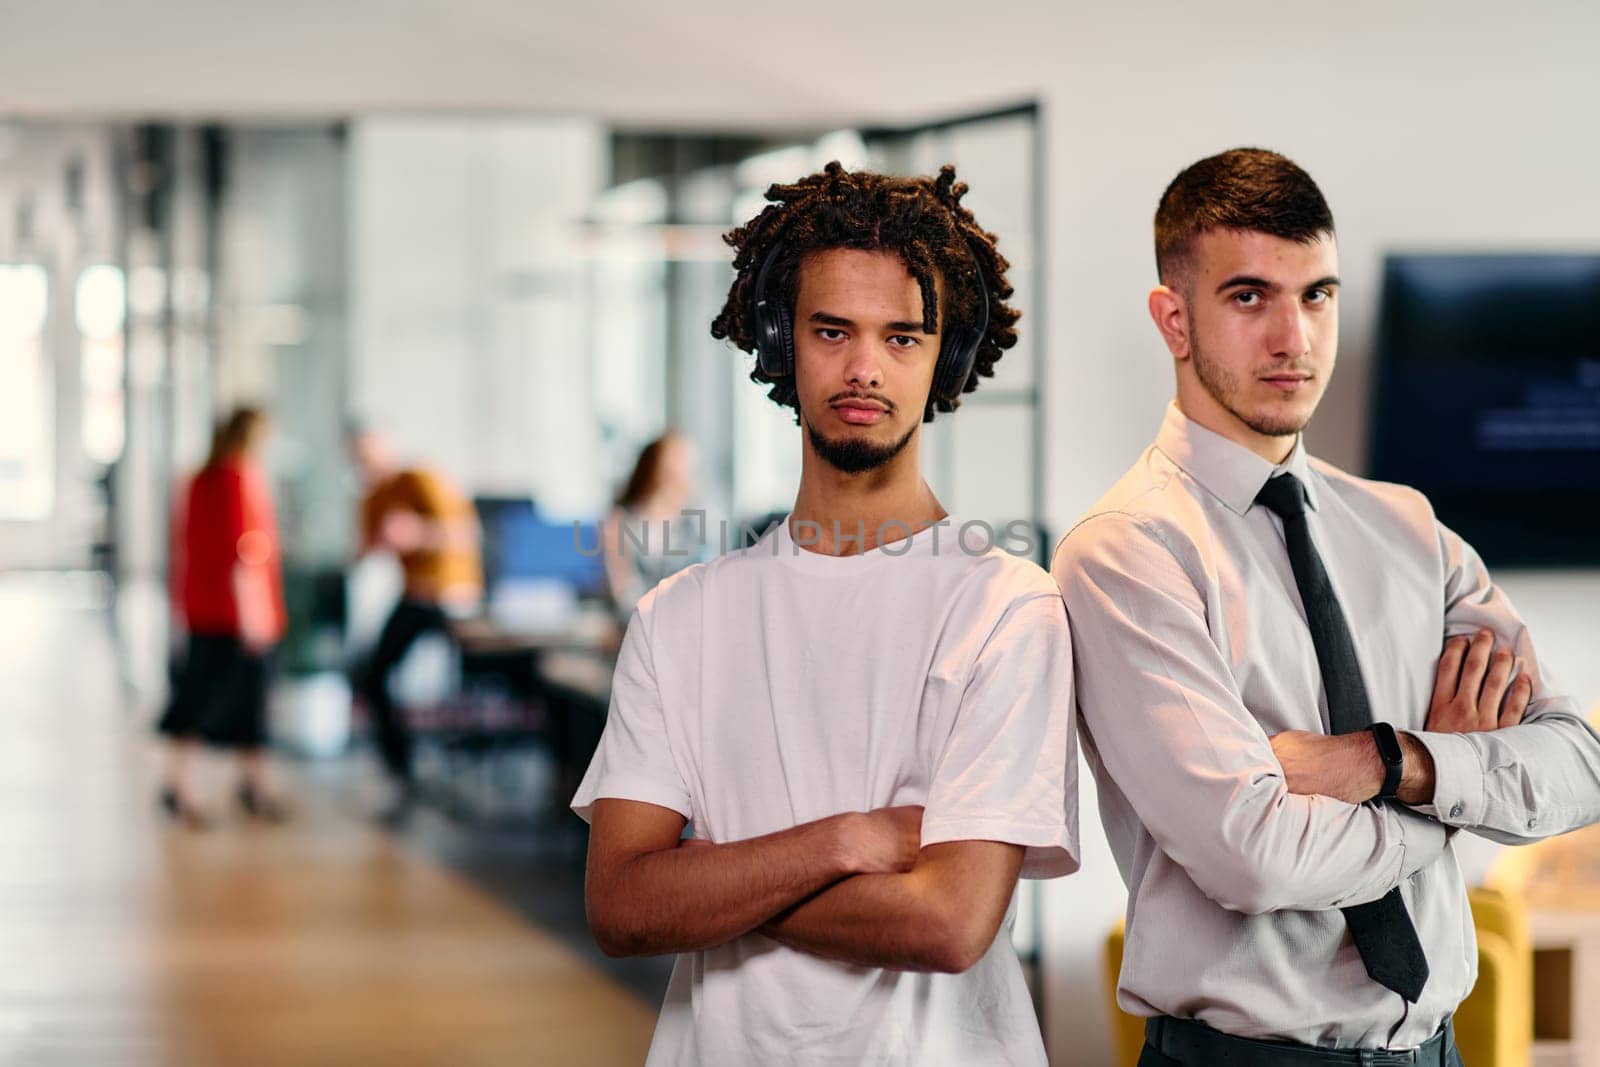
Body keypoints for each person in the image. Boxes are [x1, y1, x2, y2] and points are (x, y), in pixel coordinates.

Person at [1053, 147, 1600, 1065]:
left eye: (1317, 295)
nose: (1294, 339)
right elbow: (1254, 856)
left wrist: (1387, 759)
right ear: (1172, 319)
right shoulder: (1126, 554)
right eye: (1249, 297)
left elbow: (1579, 760)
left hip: (1438, 1049)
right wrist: (1451, 786)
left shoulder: (1409, 532)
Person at [572, 162, 1078, 1066]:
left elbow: (948, 923)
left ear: (947, 358)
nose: (863, 368)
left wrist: (719, 880)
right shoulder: (678, 618)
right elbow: (621, 907)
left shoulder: (1008, 607)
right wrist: (852, 839)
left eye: (903, 337)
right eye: (832, 329)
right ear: (780, 340)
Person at [158, 405, 289, 825]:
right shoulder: (239, 476)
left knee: (219, 697)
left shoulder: (199, 479)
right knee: (224, 698)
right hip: (235, 614)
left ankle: (248, 784)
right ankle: (187, 786)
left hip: (203, 607)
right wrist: (254, 616)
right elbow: (245, 551)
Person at [349, 428, 483, 815]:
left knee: (474, 675)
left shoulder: (421, 479)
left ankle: (465, 757)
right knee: (373, 676)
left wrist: (418, 533)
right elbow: (363, 550)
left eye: (370, 454)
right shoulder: (372, 497)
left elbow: (465, 534)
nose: (366, 464)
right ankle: (401, 768)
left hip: (453, 596)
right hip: (413, 596)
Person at [600, 430, 697, 623]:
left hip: (684, 629)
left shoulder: (693, 526)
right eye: (676, 470)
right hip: (635, 629)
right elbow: (624, 595)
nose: (686, 479)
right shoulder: (618, 523)